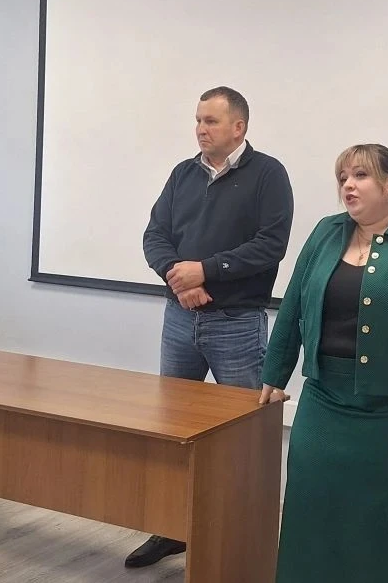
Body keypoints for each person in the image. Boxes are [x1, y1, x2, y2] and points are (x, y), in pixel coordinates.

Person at [260, 143, 388, 583]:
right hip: (323, 404)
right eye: (343, 178)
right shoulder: (325, 232)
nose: (348, 186)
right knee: (310, 519)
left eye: (360, 176)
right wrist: (275, 373)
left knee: (382, 532)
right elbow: (294, 302)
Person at [133, 86, 294, 569]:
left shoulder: (268, 174)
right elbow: (155, 235)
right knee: (172, 430)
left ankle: (246, 542)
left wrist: (206, 270)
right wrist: (178, 278)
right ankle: (170, 529)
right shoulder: (183, 174)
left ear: (238, 127)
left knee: (245, 437)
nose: (201, 129)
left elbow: (270, 245)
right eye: (198, 120)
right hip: (180, 319)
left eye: (211, 121)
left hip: (237, 325)